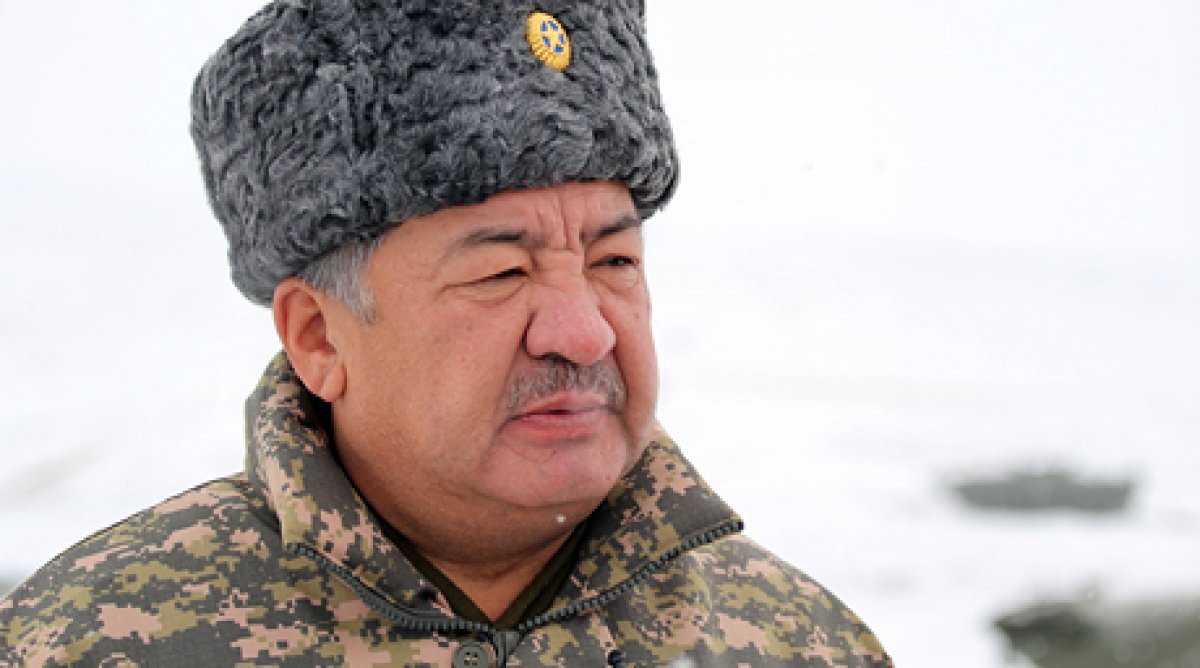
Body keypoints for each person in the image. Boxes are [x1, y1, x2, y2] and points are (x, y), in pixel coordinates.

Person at [1, 2, 893, 666]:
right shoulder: (90, 641)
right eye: (500, 273)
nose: (584, 333)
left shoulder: (800, 643)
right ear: (319, 338)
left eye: (614, 261)